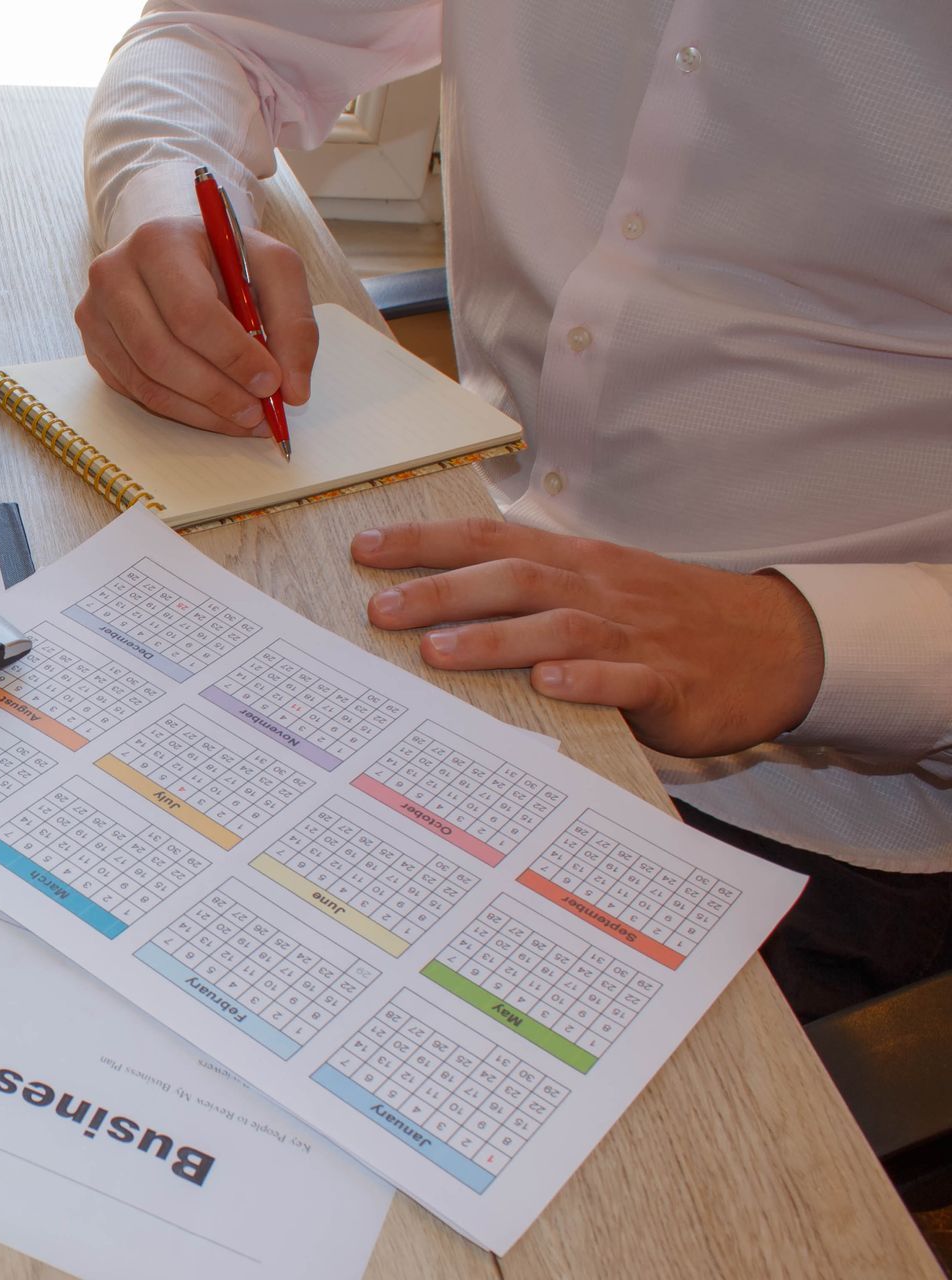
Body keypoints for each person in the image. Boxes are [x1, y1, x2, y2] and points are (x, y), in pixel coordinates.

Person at [79, 0, 952, 1020]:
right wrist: (162, 202)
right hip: (445, 604)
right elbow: (214, 32)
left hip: (802, 808)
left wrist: (803, 641)